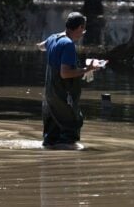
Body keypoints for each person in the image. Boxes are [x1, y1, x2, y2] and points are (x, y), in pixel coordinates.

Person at [37, 12, 101, 149]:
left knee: (52, 137)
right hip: (62, 95)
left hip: (49, 95)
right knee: (72, 126)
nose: (83, 33)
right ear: (79, 28)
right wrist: (87, 69)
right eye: (83, 29)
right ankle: (68, 166)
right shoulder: (68, 44)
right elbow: (65, 74)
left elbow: (41, 46)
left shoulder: (54, 38)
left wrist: (53, 48)